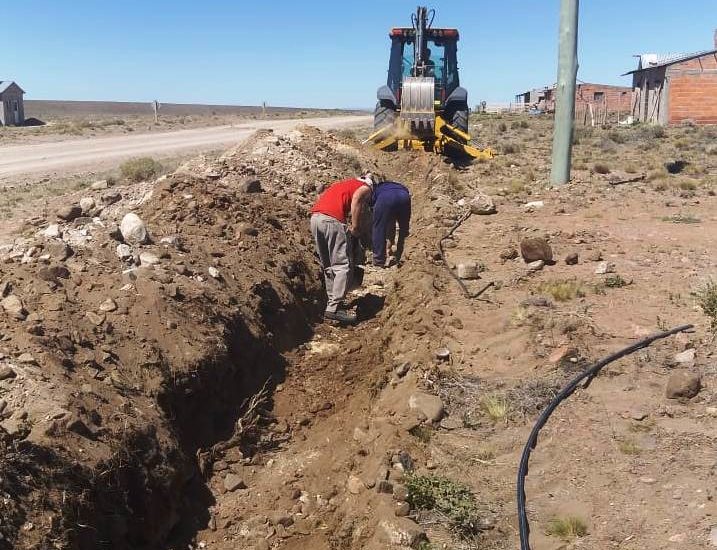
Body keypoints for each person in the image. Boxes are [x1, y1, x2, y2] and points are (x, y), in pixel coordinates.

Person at [310, 173, 375, 324]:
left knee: (328, 266)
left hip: (316, 218)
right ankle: (334, 308)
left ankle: (332, 304)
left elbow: (323, 198)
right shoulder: (365, 187)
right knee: (342, 265)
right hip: (332, 220)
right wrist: (356, 227)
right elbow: (358, 199)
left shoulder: (341, 185)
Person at [370, 180, 411, 268]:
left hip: (385, 199)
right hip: (404, 196)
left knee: (378, 228)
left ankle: (378, 260)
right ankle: (401, 254)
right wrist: (391, 242)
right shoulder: (397, 185)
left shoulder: (375, 190)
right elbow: (391, 222)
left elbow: (375, 211)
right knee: (404, 228)